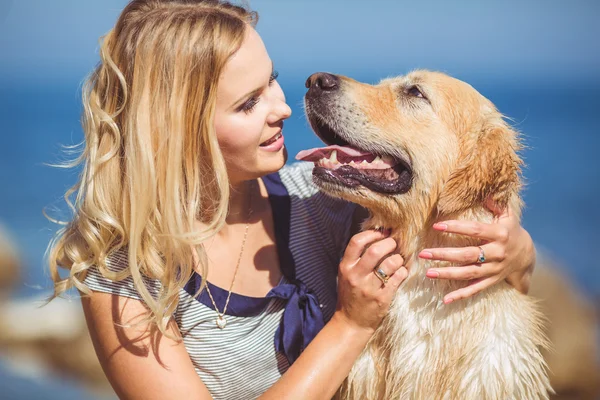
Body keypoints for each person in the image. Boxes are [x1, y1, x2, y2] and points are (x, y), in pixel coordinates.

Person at [47, 1, 536, 399]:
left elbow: (455, 214)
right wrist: (350, 324)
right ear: (177, 128)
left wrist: (515, 250)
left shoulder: (322, 200)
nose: (283, 107)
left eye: (272, 80)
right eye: (248, 103)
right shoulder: (124, 279)